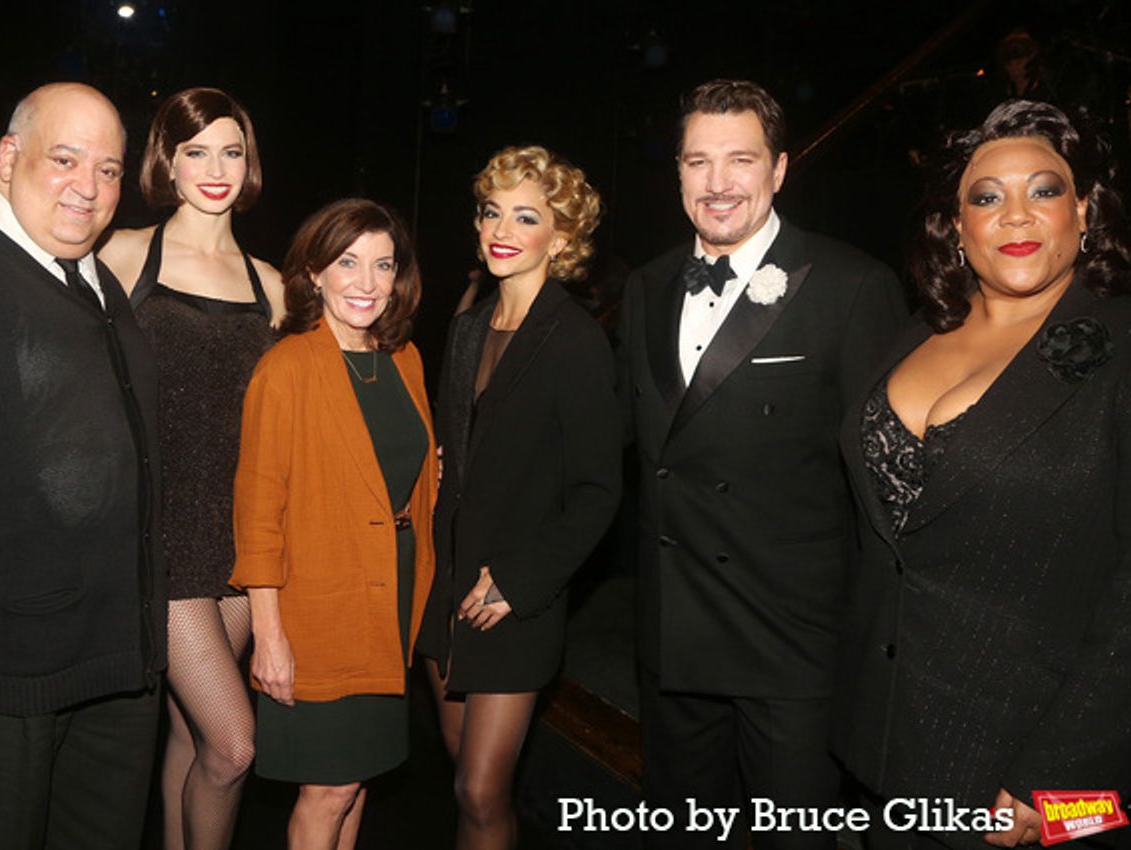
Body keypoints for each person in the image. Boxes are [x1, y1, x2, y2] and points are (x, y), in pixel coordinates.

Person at [616, 79, 907, 850]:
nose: (718, 184)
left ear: (779, 169)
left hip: (792, 649)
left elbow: (887, 486)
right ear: (676, 172)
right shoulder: (645, 289)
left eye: (740, 160)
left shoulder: (852, 287)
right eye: (698, 162)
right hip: (674, 640)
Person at [834, 99, 1131, 850]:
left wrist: (1060, 782)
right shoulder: (922, 327)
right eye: (987, 197)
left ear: (1087, 209)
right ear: (956, 226)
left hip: (1030, 777)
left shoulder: (1122, 346)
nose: (1016, 216)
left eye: (1046, 189)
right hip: (887, 746)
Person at [0, 83, 165, 849]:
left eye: (108, 169)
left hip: (113, 664)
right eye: (64, 160)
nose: (89, 188)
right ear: (7, 159)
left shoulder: (92, 276)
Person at [416, 145, 622, 850]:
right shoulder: (467, 326)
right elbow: (454, 454)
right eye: (491, 211)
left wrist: (521, 580)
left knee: (481, 789)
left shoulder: (575, 342)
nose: (501, 228)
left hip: (514, 594)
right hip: (448, 587)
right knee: (459, 778)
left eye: (525, 216)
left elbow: (599, 492)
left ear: (560, 238)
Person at [100, 87, 283, 850]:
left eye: (231, 151)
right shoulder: (120, 254)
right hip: (159, 533)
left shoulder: (271, 285)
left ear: (249, 165)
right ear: (166, 164)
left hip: (237, 537)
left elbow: (290, 421)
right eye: (196, 151)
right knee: (234, 742)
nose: (216, 169)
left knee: (192, 736)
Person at [231, 198, 436, 850]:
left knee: (360, 781)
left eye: (383, 265)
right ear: (314, 271)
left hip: (390, 603)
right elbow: (258, 514)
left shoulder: (404, 360)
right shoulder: (286, 368)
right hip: (317, 612)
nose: (367, 282)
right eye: (348, 262)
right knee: (327, 790)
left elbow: (407, 475)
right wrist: (269, 636)